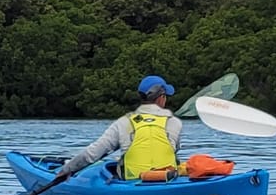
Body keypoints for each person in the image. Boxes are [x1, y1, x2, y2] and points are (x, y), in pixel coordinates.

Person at [54, 76, 186, 184]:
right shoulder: (174, 123)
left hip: (133, 188)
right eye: (166, 96)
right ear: (161, 98)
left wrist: (67, 170)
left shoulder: (124, 123)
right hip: (168, 180)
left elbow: (91, 154)